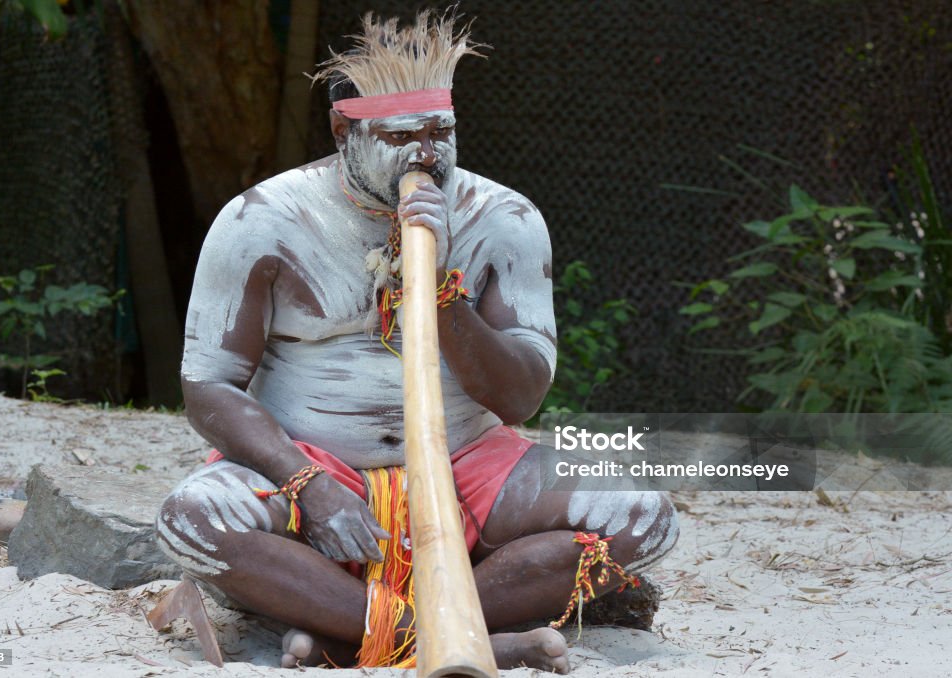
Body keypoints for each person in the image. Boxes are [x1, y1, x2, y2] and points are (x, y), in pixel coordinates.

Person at [155, 9, 678, 673]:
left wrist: (441, 290)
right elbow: (207, 389)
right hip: (310, 461)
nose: (426, 155)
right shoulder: (262, 221)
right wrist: (308, 483)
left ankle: (357, 632)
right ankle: (450, 636)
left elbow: (520, 397)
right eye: (401, 136)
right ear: (344, 131)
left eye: (441, 133)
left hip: (470, 459)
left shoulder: (503, 218)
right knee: (190, 520)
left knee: (646, 516)